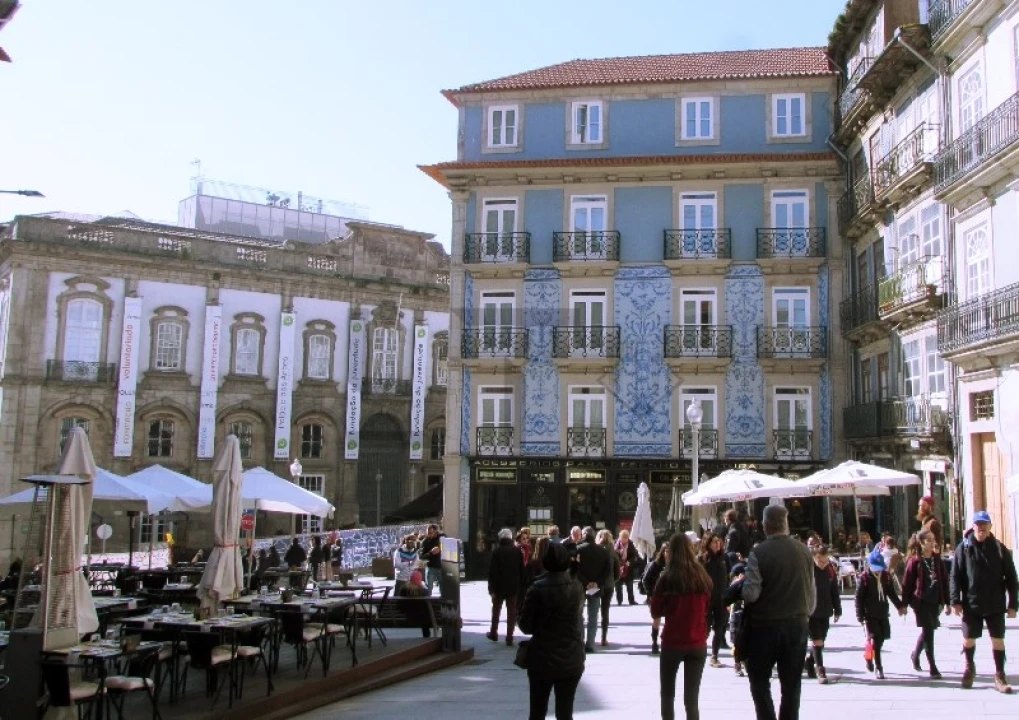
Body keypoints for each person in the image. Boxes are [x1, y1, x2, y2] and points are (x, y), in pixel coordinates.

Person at [740, 504, 815, 720]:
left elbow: (751, 594)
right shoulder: (804, 551)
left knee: (759, 681)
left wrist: (740, 586)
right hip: (797, 625)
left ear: (765, 525)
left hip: (765, 627)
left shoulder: (758, 553)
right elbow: (812, 595)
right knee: (792, 685)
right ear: (786, 524)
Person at [950, 510, 1019, 693]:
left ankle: (1000, 675)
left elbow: (1012, 578)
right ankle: (969, 667)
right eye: (978, 524)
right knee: (968, 639)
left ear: (990, 527)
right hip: (971, 603)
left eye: (984, 524)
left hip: (995, 603)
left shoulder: (999, 548)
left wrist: (1013, 604)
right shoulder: (963, 548)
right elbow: (955, 576)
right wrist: (955, 600)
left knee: (998, 640)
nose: (981, 528)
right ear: (973, 527)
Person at [518, 542, 586, 720]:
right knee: (565, 712)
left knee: (537, 712)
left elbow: (525, 626)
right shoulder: (577, 587)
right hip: (571, 656)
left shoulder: (536, 588)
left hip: (542, 657)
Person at [651, 532, 711, 720]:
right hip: (697, 641)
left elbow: (655, 610)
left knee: (667, 695)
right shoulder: (702, 576)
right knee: (692, 700)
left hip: (673, 641)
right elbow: (707, 606)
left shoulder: (667, 577)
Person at [902, 529, 949, 679]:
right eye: (929, 540)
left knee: (929, 631)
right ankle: (932, 666)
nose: (933, 542)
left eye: (933, 539)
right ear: (921, 543)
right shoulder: (915, 561)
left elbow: (944, 581)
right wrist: (904, 604)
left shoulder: (937, 559)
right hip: (921, 602)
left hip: (935, 601)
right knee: (929, 632)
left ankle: (915, 654)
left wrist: (948, 602)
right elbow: (907, 584)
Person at [855, 549, 906, 679]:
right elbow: (859, 598)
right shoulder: (864, 578)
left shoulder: (886, 577)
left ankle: (869, 655)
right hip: (869, 614)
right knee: (876, 639)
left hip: (883, 612)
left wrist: (899, 606)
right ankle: (879, 666)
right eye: (876, 568)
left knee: (882, 638)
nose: (878, 571)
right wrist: (859, 615)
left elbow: (891, 593)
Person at [804, 545, 841, 685]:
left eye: (825, 561)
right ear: (814, 557)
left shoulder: (830, 570)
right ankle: (821, 671)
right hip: (811, 611)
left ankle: (810, 661)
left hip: (825, 610)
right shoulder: (808, 570)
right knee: (817, 640)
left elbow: (834, 590)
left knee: (821, 641)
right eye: (820, 560)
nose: (823, 564)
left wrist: (837, 609)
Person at [576, 526, 611, 653]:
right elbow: (607, 571)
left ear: (583, 535)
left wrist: (586, 582)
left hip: (581, 586)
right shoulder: (603, 551)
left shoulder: (578, 549)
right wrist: (597, 582)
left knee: (579, 614)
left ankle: (580, 641)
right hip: (596, 587)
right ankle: (590, 644)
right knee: (593, 615)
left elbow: (575, 569)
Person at [698, 532, 731, 668]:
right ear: (707, 543)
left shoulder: (724, 557)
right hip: (706, 599)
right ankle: (699, 652)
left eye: (719, 542)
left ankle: (714, 656)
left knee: (719, 627)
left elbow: (729, 576)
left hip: (721, 598)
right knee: (705, 628)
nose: (718, 544)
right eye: (714, 542)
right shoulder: (701, 559)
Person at [487, 528, 524, 646]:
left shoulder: (497, 551)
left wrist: (491, 588)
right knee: (512, 612)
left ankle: (493, 633)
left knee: (496, 610)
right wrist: (521, 585)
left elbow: (492, 571)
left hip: (498, 586)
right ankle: (509, 637)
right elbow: (521, 570)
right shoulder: (517, 551)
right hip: (513, 586)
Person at [597, 529, 621, 647]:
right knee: (605, 611)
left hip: (595, 584)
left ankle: (590, 638)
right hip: (609, 584)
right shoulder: (613, 552)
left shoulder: (596, 550)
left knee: (592, 610)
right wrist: (613, 581)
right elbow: (617, 572)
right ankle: (603, 637)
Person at [643, 544, 669, 652]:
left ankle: (667, 643)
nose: (668, 554)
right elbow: (645, 580)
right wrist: (650, 594)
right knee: (657, 619)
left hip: (670, 596)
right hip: (656, 596)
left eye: (671, 551)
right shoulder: (655, 564)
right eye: (666, 551)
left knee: (670, 620)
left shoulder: (675, 565)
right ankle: (654, 642)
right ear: (662, 552)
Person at [725, 563, 747, 678]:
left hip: (744, 617)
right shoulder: (736, 584)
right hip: (736, 617)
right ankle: (737, 664)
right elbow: (727, 601)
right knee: (736, 644)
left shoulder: (747, 584)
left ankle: (744, 662)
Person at [614, 529, 640, 606]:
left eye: (626, 538)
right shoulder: (615, 544)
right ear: (620, 537)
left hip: (628, 568)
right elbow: (614, 555)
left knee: (630, 585)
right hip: (618, 567)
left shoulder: (631, 544)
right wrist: (619, 563)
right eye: (623, 538)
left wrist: (629, 562)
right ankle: (619, 600)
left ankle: (631, 600)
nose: (624, 540)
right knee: (618, 586)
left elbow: (634, 555)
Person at [418, 524, 445, 594]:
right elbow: (421, 556)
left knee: (443, 589)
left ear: (436, 531)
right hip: (431, 567)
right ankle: (428, 600)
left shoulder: (442, 538)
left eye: (431, 533)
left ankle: (443, 600)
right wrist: (431, 553)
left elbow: (448, 548)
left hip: (442, 567)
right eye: (428, 533)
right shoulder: (425, 541)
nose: (429, 535)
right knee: (428, 589)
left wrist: (440, 549)